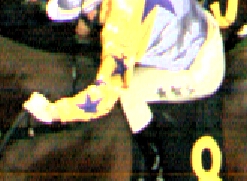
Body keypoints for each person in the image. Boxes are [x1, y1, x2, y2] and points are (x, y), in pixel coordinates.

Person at [21, 0, 225, 134]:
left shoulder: (118, 32)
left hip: (202, 66)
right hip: (199, 23)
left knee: (128, 90)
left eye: (83, 15)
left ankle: (152, 162)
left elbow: (102, 98)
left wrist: (52, 112)